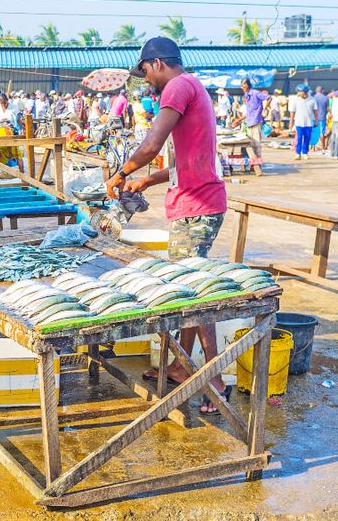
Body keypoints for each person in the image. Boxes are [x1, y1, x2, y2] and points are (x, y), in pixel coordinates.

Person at [106, 37, 229, 415]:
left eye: (144, 72)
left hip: (197, 207)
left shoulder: (176, 87)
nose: (146, 82)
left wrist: (121, 173)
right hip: (195, 202)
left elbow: (150, 143)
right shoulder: (192, 86)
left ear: (157, 63)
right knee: (189, 289)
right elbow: (187, 159)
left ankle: (214, 379)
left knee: (195, 293)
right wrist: (147, 181)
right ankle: (181, 364)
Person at [240, 78, 270, 176]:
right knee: (250, 145)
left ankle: (259, 167)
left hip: (256, 122)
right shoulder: (246, 95)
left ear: (247, 85)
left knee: (257, 145)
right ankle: (254, 165)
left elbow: (269, 98)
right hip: (249, 122)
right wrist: (239, 120)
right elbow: (249, 112)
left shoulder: (256, 93)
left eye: (243, 85)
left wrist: (265, 109)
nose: (242, 88)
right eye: (241, 86)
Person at [289, 84, 317, 161]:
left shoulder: (312, 100)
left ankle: (305, 153)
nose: (298, 93)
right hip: (299, 122)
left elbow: (315, 111)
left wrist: (316, 121)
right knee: (299, 138)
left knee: (307, 138)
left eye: (299, 91)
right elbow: (292, 112)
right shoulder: (295, 100)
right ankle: (298, 153)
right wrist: (291, 123)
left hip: (309, 123)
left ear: (305, 92)